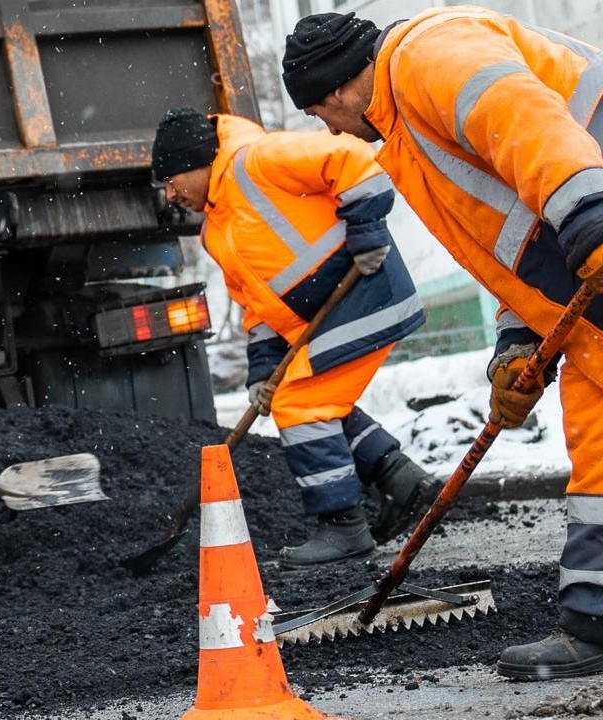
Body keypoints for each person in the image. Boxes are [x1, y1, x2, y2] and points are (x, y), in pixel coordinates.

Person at [281, 6, 603, 679]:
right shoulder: (404, 136)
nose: (332, 130)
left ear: (337, 91)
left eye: (321, 114)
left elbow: (526, 122)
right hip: (584, 285)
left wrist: (590, 217)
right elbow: (507, 241)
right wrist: (517, 344)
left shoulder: (426, 55)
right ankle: (592, 622)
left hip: (595, 223)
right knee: (596, 446)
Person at [151, 107, 437, 568]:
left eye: (171, 178)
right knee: (298, 392)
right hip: (328, 319)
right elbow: (255, 307)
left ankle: (343, 527)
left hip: (366, 293)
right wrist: (262, 372)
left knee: (302, 405)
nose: (169, 193)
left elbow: (353, 158)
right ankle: (400, 480)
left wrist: (366, 233)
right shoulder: (214, 231)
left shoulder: (257, 159)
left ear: (197, 162)